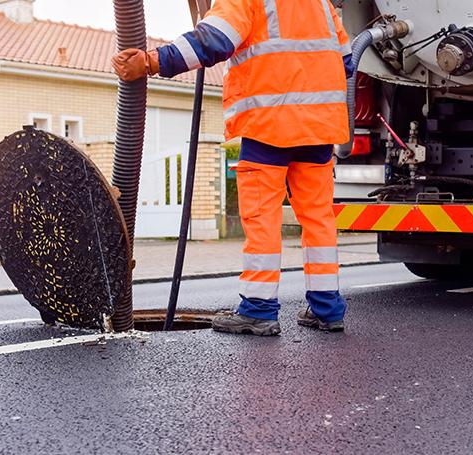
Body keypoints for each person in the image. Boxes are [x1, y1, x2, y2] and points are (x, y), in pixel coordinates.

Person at [112, 0, 354, 336]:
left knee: (262, 219)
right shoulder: (320, 4)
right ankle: (327, 309)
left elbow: (213, 40)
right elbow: (347, 61)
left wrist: (152, 61)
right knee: (318, 218)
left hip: (269, 124)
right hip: (320, 128)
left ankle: (259, 309)